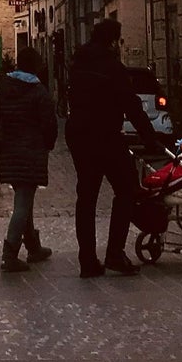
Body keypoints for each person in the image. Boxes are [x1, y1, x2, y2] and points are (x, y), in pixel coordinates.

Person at [65, 17, 163, 278]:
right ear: (112, 41)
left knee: (86, 198)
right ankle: (115, 254)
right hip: (105, 135)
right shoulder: (113, 67)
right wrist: (150, 138)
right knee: (127, 190)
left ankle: (87, 260)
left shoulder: (78, 63)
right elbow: (131, 105)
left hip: (78, 133)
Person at [0, 46, 59, 272]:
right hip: (30, 152)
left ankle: (34, 247)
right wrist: (48, 143)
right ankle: (10, 253)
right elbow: (49, 124)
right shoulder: (38, 92)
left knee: (24, 197)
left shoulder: (4, 88)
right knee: (23, 202)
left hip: (9, 150)